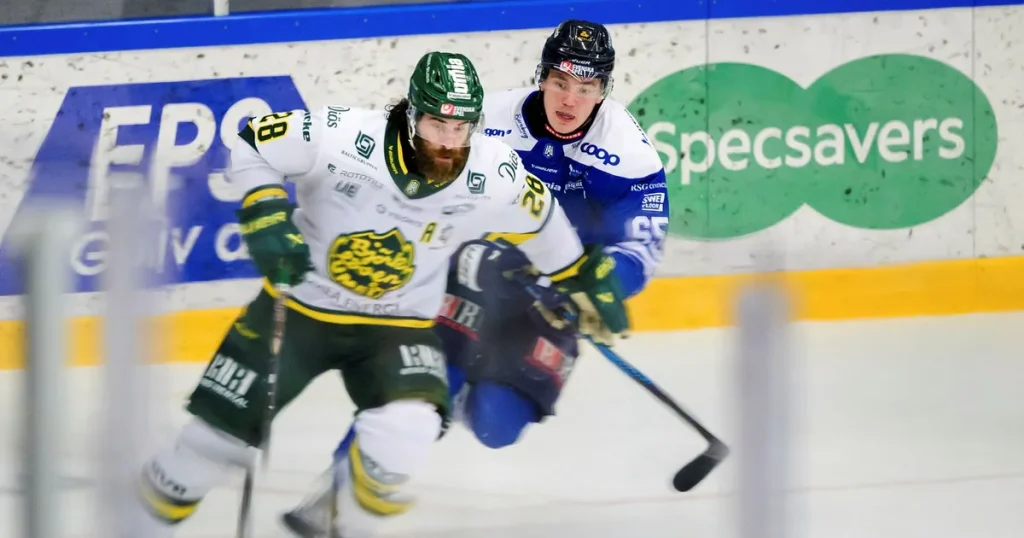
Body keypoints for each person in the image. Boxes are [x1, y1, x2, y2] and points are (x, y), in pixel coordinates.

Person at [124, 50, 629, 538]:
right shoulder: (342, 136)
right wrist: (264, 210)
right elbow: (255, 140)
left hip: (397, 326)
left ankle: (339, 522)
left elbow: (541, 221)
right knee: (208, 449)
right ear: (411, 115)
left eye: (460, 127)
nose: (449, 141)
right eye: (437, 124)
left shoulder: (492, 172)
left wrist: (579, 274)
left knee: (407, 431)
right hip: (300, 311)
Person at [281, 19, 669, 538]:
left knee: (496, 425)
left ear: (604, 90)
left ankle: (461, 390)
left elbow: (639, 250)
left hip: (549, 300)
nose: (570, 100)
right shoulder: (491, 124)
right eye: (560, 82)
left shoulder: (630, 155)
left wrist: (589, 286)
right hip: (468, 280)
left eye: (585, 87)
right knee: (426, 387)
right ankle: (337, 494)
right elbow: (422, 188)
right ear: (541, 77)